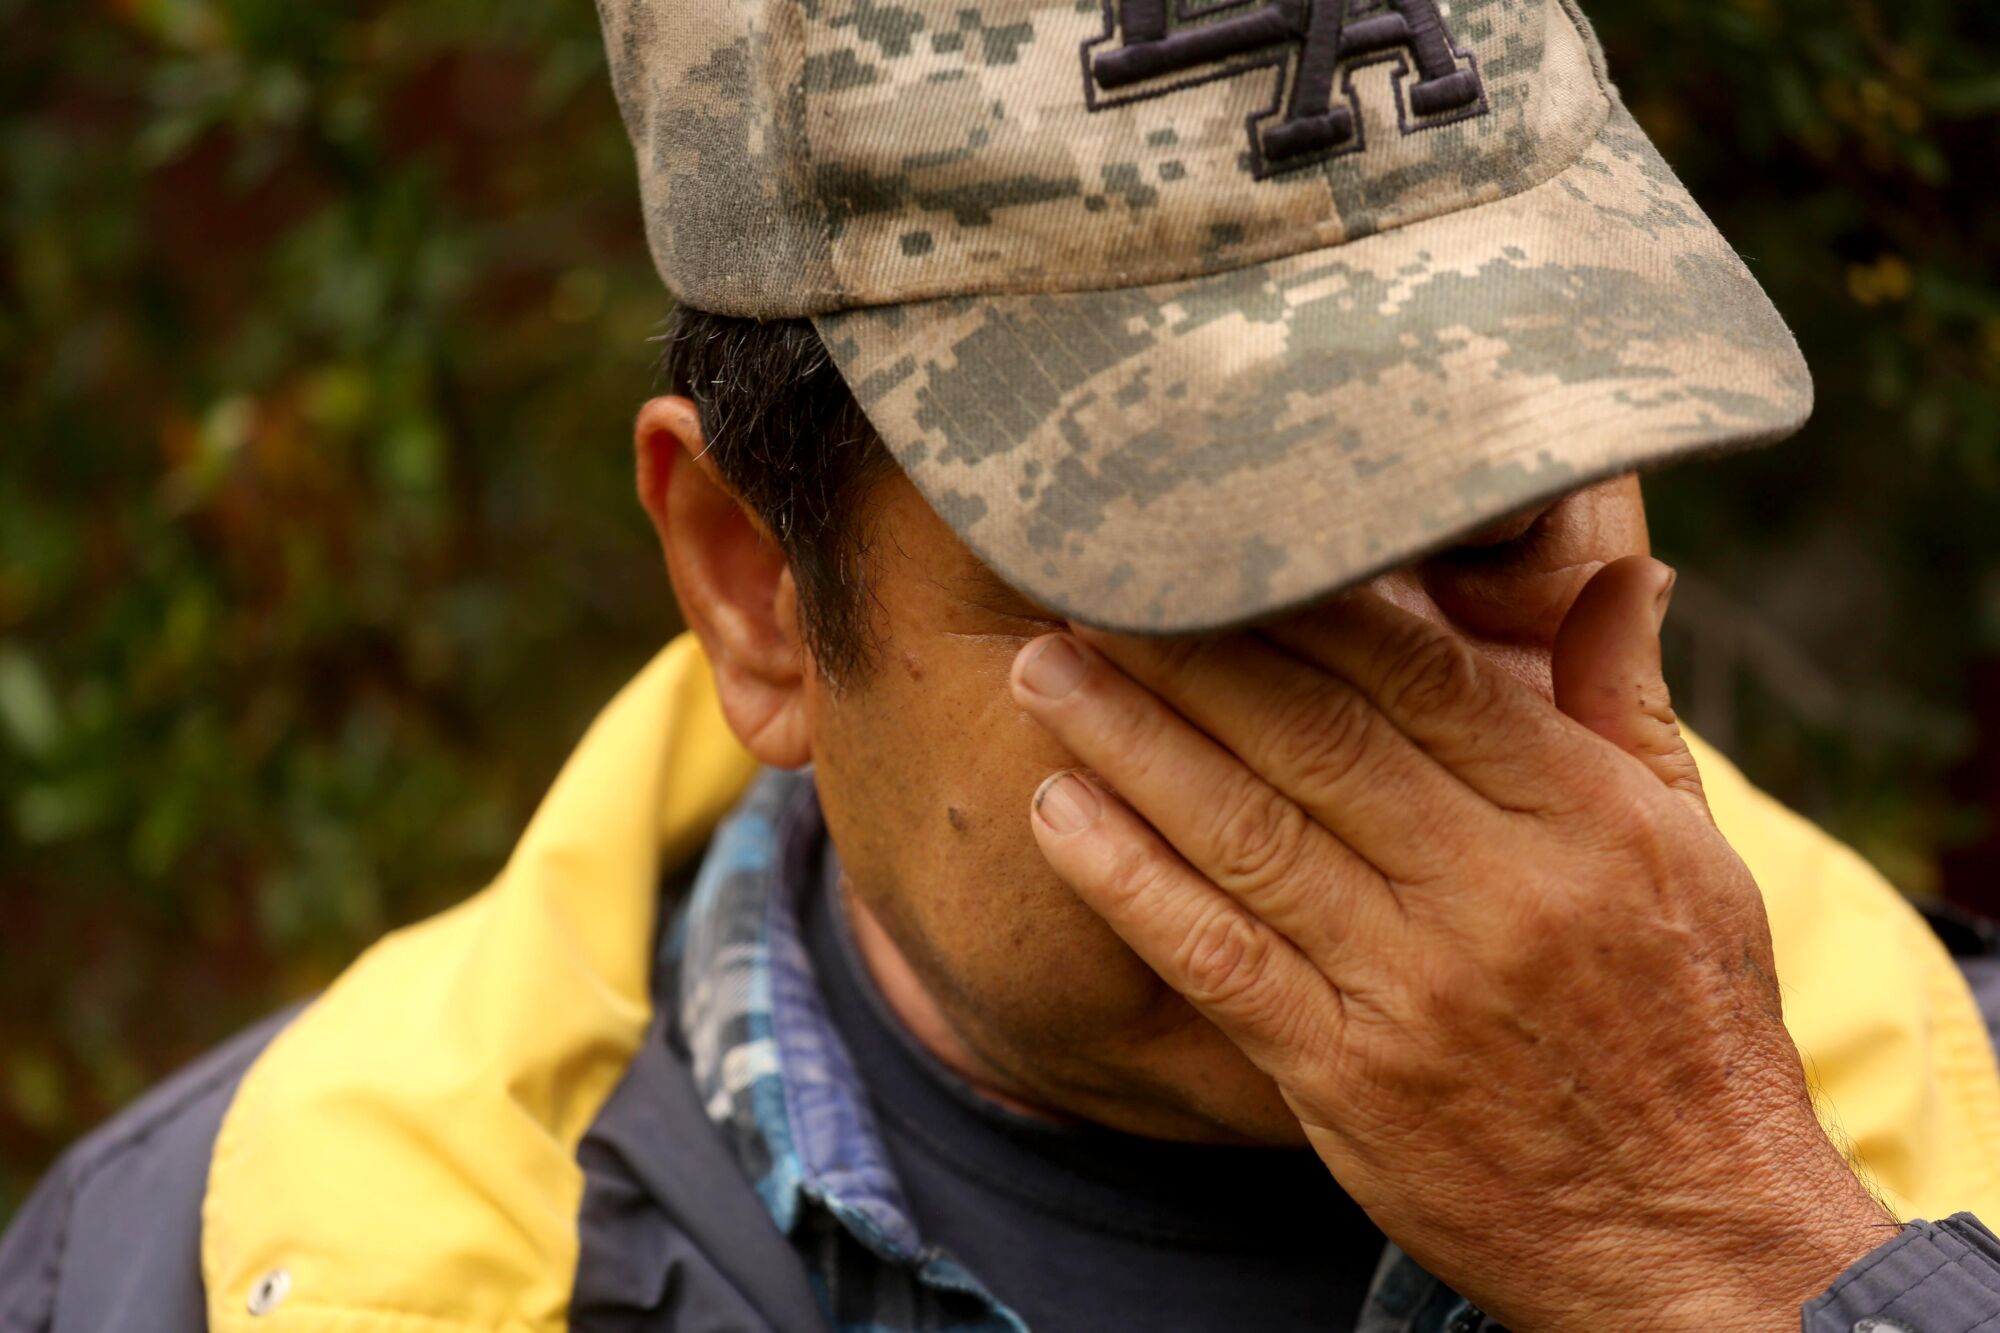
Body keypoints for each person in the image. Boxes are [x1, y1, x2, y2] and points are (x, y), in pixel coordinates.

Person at [6, 0, 2000, 1329]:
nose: (1417, 738)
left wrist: (1750, 1257)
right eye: (1203, 576)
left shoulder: (1956, 1136)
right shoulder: (193, 1270)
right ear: (757, 595)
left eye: (1499, 525)